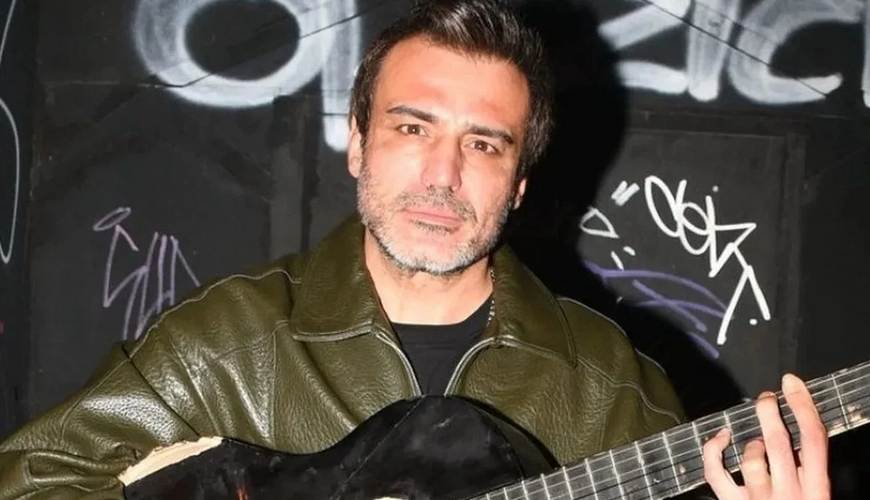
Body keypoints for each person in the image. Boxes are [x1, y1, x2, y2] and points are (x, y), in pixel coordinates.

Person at [0, 0, 829, 499]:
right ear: (358, 143)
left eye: (484, 144)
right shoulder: (230, 343)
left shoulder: (608, 389)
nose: (443, 174)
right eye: (411, 129)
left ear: (520, 183)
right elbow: (29, 480)